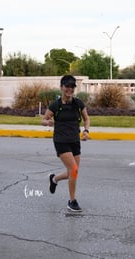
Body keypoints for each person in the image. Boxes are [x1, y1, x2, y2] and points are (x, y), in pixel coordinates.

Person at [41, 75, 90, 212]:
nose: (69, 89)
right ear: (62, 87)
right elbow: (43, 120)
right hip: (61, 141)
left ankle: (54, 179)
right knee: (73, 170)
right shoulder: (56, 105)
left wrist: (86, 131)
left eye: (72, 86)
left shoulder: (78, 103)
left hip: (75, 140)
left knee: (72, 172)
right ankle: (72, 201)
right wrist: (48, 122)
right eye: (67, 86)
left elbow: (86, 119)